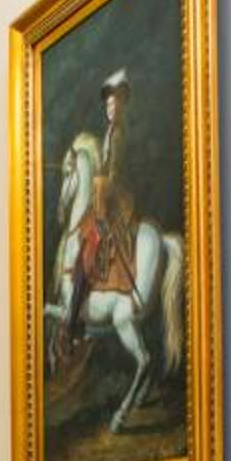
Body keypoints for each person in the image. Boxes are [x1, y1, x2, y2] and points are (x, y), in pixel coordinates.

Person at [65, 69, 138, 347]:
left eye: (115, 104)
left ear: (122, 106)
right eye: (108, 104)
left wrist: (99, 184)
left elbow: (115, 174)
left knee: (91, 244)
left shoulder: (118, 134)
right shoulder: (109, 132)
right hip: (105, 194)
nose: (111, 108)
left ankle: (75, 319)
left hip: (116, 197)